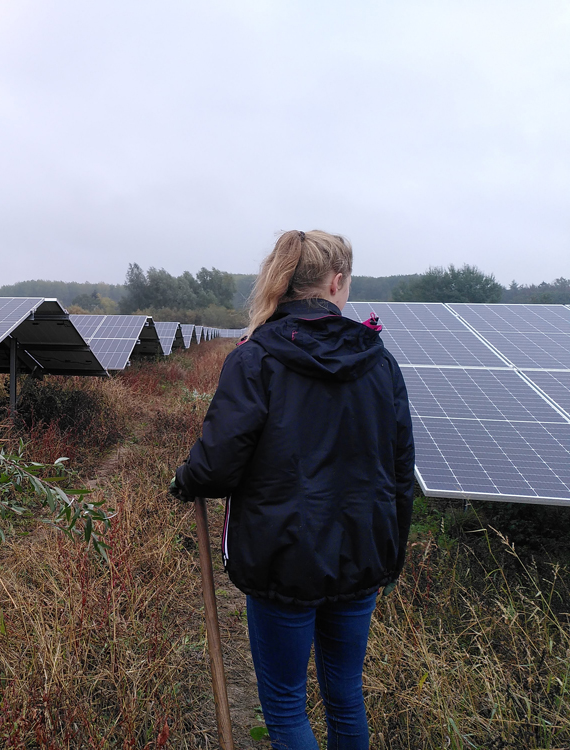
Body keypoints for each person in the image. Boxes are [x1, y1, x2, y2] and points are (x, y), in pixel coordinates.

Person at [170, 230, 414, 749]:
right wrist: (389, 557)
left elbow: (216, 466)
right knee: (345, 695)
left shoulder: (255, 358)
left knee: (284, 704)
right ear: (337, 280)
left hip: (283, 557)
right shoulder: (380, 363)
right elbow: (399, 472)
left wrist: (185, 480)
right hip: (361, 554)